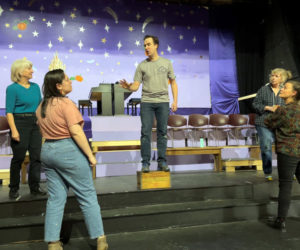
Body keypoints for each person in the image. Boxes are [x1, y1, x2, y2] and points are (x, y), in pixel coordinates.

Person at [35, 69, 108, 250]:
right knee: (87, 196)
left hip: (48, 151)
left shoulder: (42, 105)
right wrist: (90, 155)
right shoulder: (66, 104)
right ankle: (100, 239)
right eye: (67, 80)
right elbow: (76, 131)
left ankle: (53, 243)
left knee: (55, 199)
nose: (71, 82)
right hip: (68, 150)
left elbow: (41, 130)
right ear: (59, 86)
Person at [120, 35, 178, 172]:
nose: (146, 47)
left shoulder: (166, 63)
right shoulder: (142, 65)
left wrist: (175, 101)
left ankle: (162, 162)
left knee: (162, 132)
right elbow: (135, 86)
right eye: (144, 45)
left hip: (163, 102)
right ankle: (145, 163)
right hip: (147, 102)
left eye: (149, 44)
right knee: (145, 133)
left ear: (156, 45)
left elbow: (174, 83)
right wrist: (128, 86)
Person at [5, 58, 46, 200]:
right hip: (19, 123)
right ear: (20, 71)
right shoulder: (12, 88)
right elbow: (9, 111)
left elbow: (40, 106)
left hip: (35, 124)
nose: (32, 71)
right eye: (29, 68)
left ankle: (35, 188)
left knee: (36, 157)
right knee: (19, 158)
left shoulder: (35, 87)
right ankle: (13, 189)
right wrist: (14, 130)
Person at [264, 80, 300, 232]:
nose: (282, 89)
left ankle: (280, 220)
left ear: (294, 93)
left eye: (286, 87)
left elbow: (268, 122)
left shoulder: (283, 110)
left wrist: (275, 110)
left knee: (285, 185)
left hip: (288, 150)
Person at [252, 68, 292, 181]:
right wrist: (268, 107)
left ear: (282, 78)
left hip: (281, 123)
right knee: (266, 147)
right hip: (264, 122)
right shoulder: (264, 89)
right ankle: (268, 172)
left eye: (277, 76)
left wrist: (281, 108)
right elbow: (255, 104)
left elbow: (292, 105)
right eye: (272, 76)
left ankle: (289, 172)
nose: (273, 78)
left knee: (285, 149)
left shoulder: (286, 90)